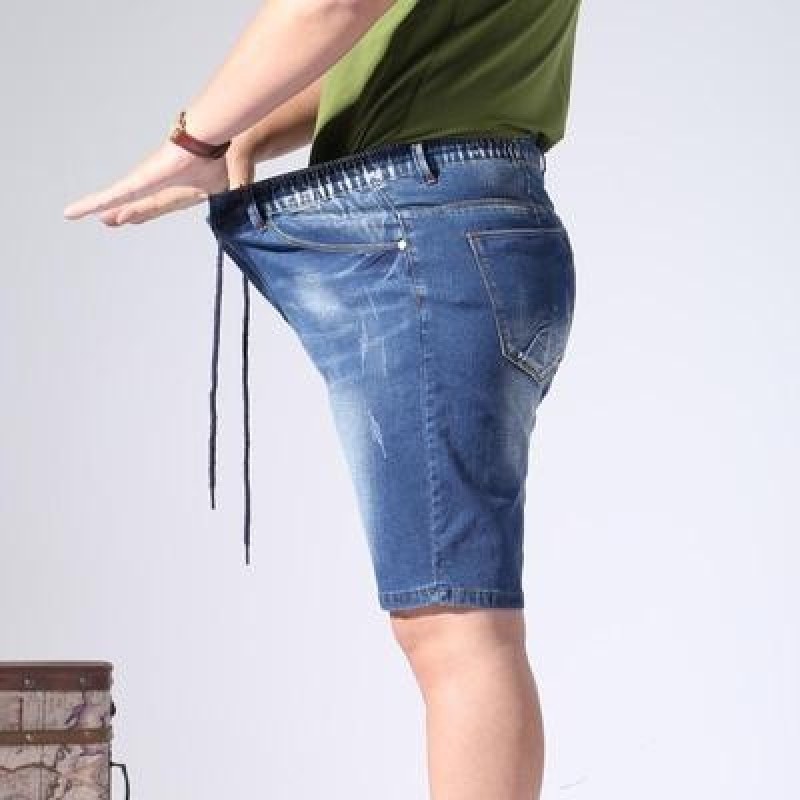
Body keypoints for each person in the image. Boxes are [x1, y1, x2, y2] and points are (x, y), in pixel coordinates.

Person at [63, 1, 583, 797]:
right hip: (469, 214)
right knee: (454, 619)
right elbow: (376, 45)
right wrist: (243, 137)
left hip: (429, 225)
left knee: (457, 628)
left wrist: (193, 140)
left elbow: (332, 6)